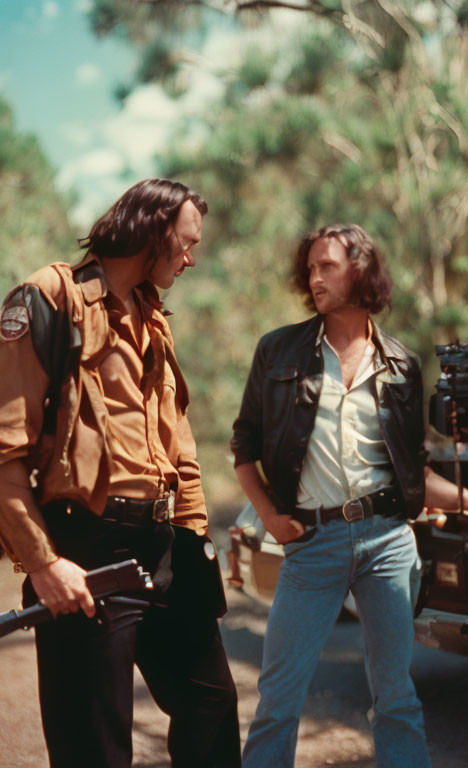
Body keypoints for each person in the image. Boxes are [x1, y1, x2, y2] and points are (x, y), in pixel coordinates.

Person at [231, 224, 468, 768]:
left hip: (387, 542)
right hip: (311, 542)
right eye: (310, 267)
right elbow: (244, 445)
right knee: (278, 697)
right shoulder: (279, 350)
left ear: (361, 270)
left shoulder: (401, 364)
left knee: (396, 697)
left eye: (327, 266)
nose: (314, 277)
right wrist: (269, 516)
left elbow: (414, 474)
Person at [0, 179, 241, 768]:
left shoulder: (152, 314)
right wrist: (45, 564)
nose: (191, 258)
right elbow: (4, 456)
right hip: (86, 547)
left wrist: (194, 535)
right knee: (95, 746)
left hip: (163, 544)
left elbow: (176, 438)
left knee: (211, 706)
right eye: (186, 244)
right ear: (154, 233)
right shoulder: (46, 299)